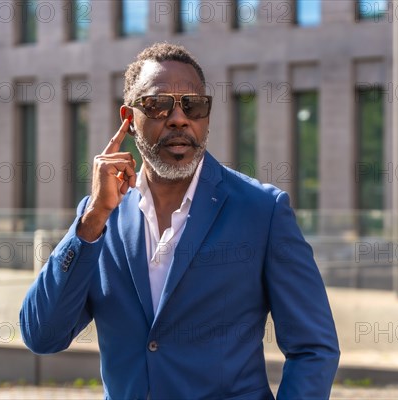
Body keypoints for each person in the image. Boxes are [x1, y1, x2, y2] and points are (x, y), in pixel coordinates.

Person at [20, 42, 339, 400]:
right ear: (128, 118)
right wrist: (93, 218)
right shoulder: (99, 218)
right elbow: (42, 335)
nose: (178, 118)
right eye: (157, 105)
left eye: (193, 105)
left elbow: (314, 348)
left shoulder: (263, 211)